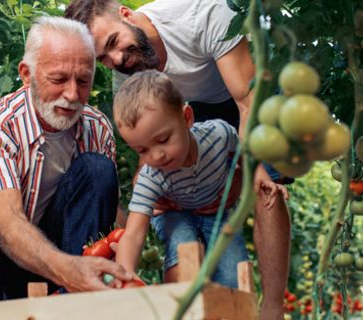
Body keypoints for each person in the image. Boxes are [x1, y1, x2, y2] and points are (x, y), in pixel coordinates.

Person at [65, 1, 291, 318]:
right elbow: (146, 150)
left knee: (267, 181)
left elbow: (246, 101)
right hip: (181, 117)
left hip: (244, 90)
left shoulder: (202, 15)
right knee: (174, 196)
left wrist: (252, 169)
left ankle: (273, 305)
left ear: (126, 15)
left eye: (114, 42)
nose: (116, 60)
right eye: (103, 58)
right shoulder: (127, 76)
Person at [0, 16, 133, 302]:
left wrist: (128, 244)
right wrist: (69, 270)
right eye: (58, 80)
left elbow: (103, 209)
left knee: (97, 169)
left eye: (83, 81)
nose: (72, 95)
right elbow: (8, 224)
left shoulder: (96, 127)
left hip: (65, 259)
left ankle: (75, 300)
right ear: (26, 74)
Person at [113, 70, 247, 287]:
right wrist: (124, 275)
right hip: (172, 213)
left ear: (187, 118)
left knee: (233, 274)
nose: (156, 156)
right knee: (183, 253)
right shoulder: (151, 176)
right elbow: (134, 234)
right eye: (142, 150)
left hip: (216, 210)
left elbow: (246, 155)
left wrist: (252, 176)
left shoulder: (220, 135)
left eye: (163, 140)